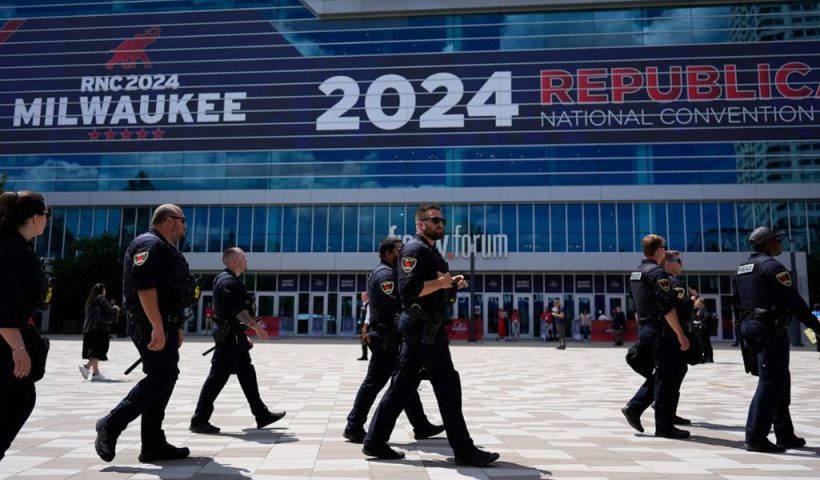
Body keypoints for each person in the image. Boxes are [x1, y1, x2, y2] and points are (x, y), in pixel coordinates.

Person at [363, 204, 499, 466]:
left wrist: (450, 283)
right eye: (434, 219)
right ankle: (464, 449)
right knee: (447, 383)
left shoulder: (428, 251)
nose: (440, 224)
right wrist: (442, 282)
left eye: (442, 220)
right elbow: (408, 290)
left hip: (425, 327)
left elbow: (432, 287)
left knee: (404, 384)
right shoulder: (413, 249)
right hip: (421, 327)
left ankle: (375, 441)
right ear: (420, 224)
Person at [94, 204, 195, 463]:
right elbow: (145, 288)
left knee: (165, 377)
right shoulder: (148, 245)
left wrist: (178, 326)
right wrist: (158, 327)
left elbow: (173, 293)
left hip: (165, 324)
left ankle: (152, 445)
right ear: (170, 220)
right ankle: (111, 423)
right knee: (162, 376)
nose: (185, 226)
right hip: (150, 325)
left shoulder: (165, 248)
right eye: (182, 220)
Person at [343, 237, 444, 443]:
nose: (403, 253)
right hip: (384, 339)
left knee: (405, 381)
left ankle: (421, 425)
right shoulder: (385, 275)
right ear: (388, 253)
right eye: (400, 249)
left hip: (391, 337)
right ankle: (353, 426)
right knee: (375, 383)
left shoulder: (392, 273)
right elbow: (396, 308)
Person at [732, 226, 820, 453]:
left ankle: (784, 434)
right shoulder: (773, 267)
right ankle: (755, 436)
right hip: (769, 329)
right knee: (771, 382)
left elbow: (736, 302)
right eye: (777, 240)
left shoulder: (742, 269)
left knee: (777, 379)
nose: (780, 243)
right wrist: (816, 328)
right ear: (768, 243)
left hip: (750, 327)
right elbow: (795, 302)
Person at [190, 248, 285, 434]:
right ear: (234, 261)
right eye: (243, 257)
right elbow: (238, 311)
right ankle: (199, 419)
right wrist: (257, 328)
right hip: (229, 337)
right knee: (217, 377)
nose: (246, 260)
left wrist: (243, 335)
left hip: (234, 335)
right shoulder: (228, 281)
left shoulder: (227, 279)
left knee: (247, 373)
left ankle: (261, 414)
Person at [621, 234, 690, 439]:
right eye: (663, 248)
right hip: (661, 331)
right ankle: (663, 425)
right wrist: (681, 335)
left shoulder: (636, 273)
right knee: (668, 375)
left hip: (646, 328)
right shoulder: (657, 273)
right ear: (659, 250)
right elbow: (667, 308)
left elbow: (635, 306)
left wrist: (641, 330)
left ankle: (636, 408)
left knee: (665, 373)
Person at [0, 191, 50, 462]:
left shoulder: (17, 247)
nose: (47, 220)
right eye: (46, 215)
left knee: (20, 399)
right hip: (5, 345)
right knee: (16, 403)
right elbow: (3, 304)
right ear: (34, 217)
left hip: (10, 341)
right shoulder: (12, 252)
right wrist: (17, 347)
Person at [80, 283, 120, 381]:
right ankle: (86, 367)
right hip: (99, 329)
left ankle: (96, 373)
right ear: (101, 290)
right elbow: (109, 310)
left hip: (89, 329)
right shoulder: (101, 298)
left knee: (95, 350)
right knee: (100, 350)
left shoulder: (91, 300)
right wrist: (115, 308)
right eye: (104, 289)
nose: (105, 291)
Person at [693, 298, 714, 363]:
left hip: (704, 329)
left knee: (705, 343)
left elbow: (707, 316)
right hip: (701, 329)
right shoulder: (699, 309)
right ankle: (708, 357)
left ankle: (707, 357)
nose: (696, 304)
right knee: (705, 343)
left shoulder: (703, 308)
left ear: (701, 303)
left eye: (697, 302)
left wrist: (700, 322)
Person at [357, 292, 369, 361]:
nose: (362, 298)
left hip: (366, 326)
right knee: (363, 341)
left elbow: (367, 317)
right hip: (362, 326)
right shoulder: (363, 305)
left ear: (367, 297)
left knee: (367, 342)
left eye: (363, 296)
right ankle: (364, 355)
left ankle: (365, 356)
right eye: (362, 296)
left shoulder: (368, 305)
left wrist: (365, 326)